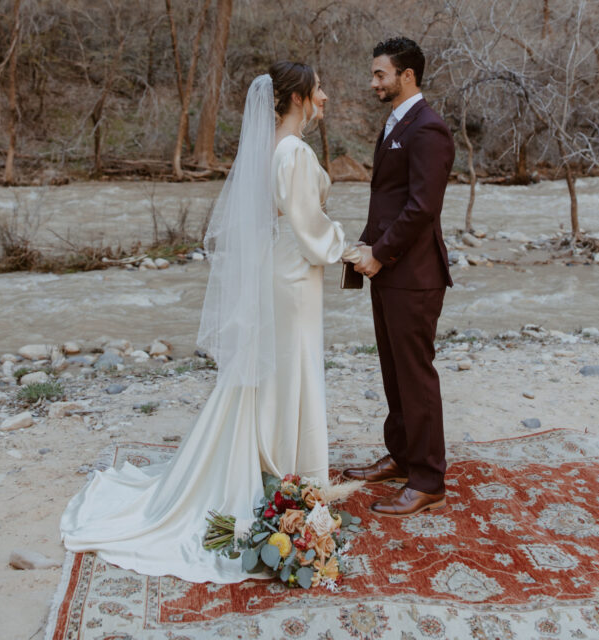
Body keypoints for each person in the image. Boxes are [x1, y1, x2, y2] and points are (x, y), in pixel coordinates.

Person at [60, 62, 346, 582]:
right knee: (293, 367)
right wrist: (348, 248)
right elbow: (309, 226)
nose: (325, 97)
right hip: (293, 276)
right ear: (300, 97)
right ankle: (287, 476)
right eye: (319, 89)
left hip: (276, 272)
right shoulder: (295, 152)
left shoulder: (268, 150)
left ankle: (276, 467)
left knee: (277, 370)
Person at [344, 37, 454, 517]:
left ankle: (428, 479)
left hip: (413, 273)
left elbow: (421, 208)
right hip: (389, 270)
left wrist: (381, 254)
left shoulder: (429, 128)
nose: (374, 83)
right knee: (393, 371)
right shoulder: (397, 123)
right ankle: (403, 456)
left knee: (416, 375)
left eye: (380, 75)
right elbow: (386, 197)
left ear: (407, 76)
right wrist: (365, 249)